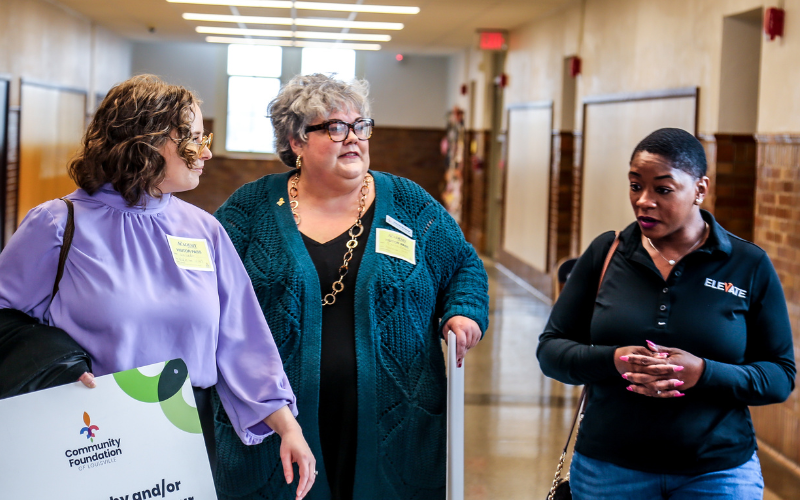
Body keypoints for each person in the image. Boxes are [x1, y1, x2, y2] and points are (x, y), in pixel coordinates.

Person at [0, 75, 316, 500]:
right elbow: (5, 320)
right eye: (192, 139)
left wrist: (288, 427)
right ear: (145, 142)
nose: (206, 153)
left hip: (184, 433)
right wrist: (58, 367)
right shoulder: (58, 224)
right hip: (87, 431)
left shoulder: (204, 230)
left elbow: (242, 338)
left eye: (205, 139)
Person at [212, 73, 490, 500]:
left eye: (361, 125)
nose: (354, 138)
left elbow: (463, 265)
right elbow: (205, 287)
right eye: (336, 128)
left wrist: (463, 312)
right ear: (297, 141)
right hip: (278, 424)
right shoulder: (251, 210)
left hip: (396, 422)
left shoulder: (408, 203)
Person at [537, 127, 795, 499]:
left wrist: (703, 373)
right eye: (635, 186)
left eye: (663, 189)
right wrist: (615, 360)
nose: (644, 201)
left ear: (700, 189)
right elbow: (551, 352)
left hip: (717, 474)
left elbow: (780, 376)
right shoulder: (606, 253)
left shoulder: (747, 264)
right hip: (609, 471)